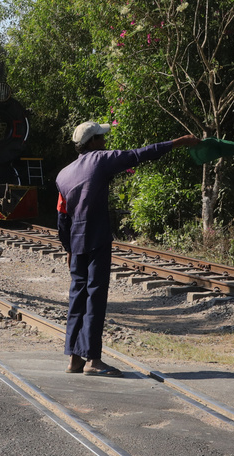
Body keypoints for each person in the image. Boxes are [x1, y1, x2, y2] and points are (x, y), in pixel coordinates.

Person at [56, 120, 198, 376]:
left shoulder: (63, 174)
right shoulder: (100, 159)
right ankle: (93, 360)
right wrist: (177, 143)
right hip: (97, 238)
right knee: (95, 296)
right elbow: (139, 155)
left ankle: (74, 358)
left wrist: (68, 248)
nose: (104, 141)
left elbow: (62, 216)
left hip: (76, 243)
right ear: (92, 142)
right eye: (101, 137)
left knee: (77, 298)